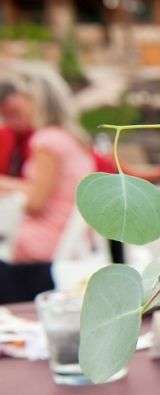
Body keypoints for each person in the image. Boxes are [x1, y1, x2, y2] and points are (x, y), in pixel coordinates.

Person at [0, 66, 95, 304]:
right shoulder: (71, 137)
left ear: (36, 101)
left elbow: (35, 203)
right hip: (66, 239)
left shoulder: (46, 141)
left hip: (42, 250)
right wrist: (12, 185)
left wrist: (8, 186)